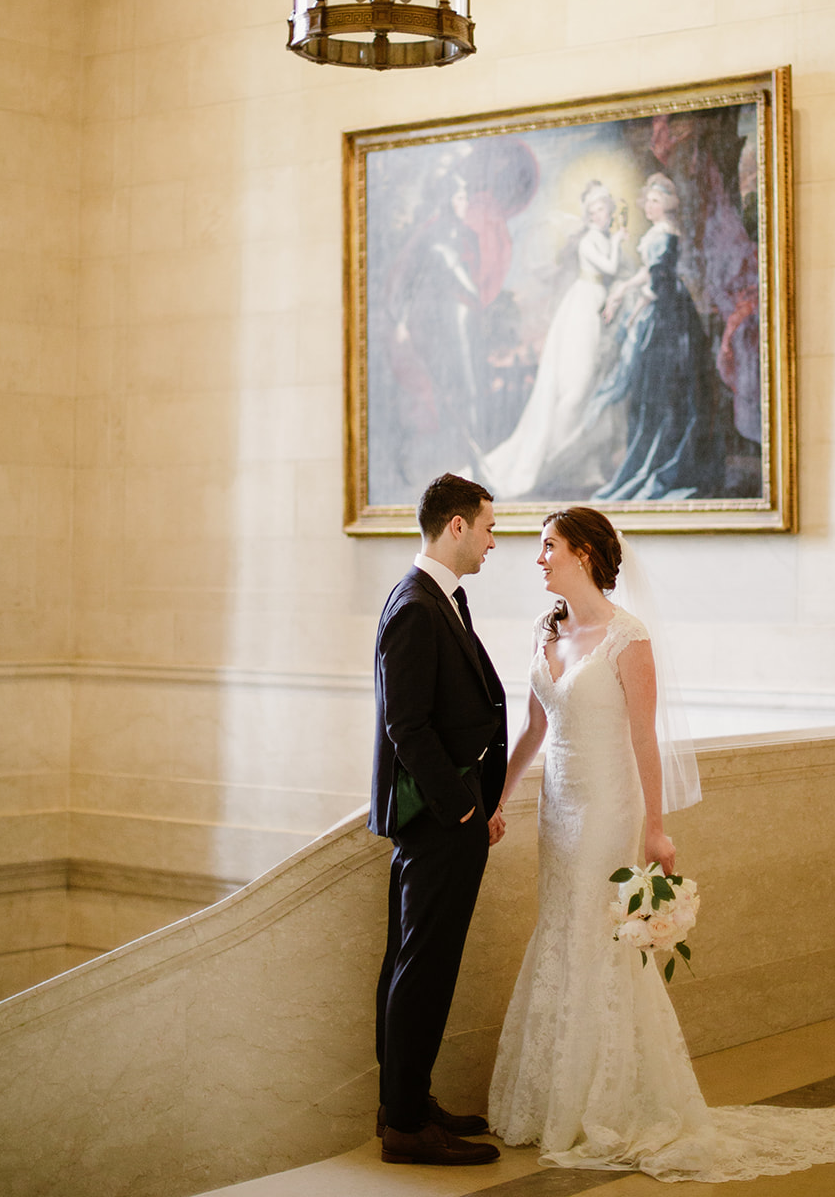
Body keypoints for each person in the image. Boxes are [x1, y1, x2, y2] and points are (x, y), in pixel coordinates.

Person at [488, 507, 835, 1181]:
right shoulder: (547, 631)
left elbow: (642, 741)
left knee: (597, 937)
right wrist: (497, 798)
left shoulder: (626, 638)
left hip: (608, 806)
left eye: (547, 546)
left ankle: (608, 1102)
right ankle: (557, 1099)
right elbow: (533, 729)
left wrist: (655, 826)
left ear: (582, 553)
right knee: (560, 932)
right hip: (557, 808)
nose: (537, 558)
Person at [369, 474, 508, 1166]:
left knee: (416, 963)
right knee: (421, 967)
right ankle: (402, 1124)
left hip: (448, 815)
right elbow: (407, 727)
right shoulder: (417, 607)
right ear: (456, 526)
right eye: (487, 527)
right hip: (435, 820)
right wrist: (461, 808)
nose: (492, 541)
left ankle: (408, 1099)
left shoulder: (438, 599)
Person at [483, 179, 626, 499]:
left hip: (596, 306)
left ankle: (581, 464)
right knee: (576, 388)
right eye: (592, 210)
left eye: (601, 209)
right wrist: (618, 242)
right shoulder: (590, 240)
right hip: (582, 310)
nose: (596, 215)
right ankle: (551, 457)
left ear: (609, 210)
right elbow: (611, 266)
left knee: (592, 388)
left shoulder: (600, 236)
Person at [593, 173, 725, 501]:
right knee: (657, 394)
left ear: (668, 203)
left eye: (656, 200)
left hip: (668, 319)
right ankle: (657, 458)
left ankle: (662, 463)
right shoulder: (659, 234)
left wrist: (636, 310)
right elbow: (649, 273)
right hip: (670, 311)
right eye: (648, 200)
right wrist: (624, 288)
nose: (649, 206)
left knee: (664, 393)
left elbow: (660, 283)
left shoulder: (665, 235)